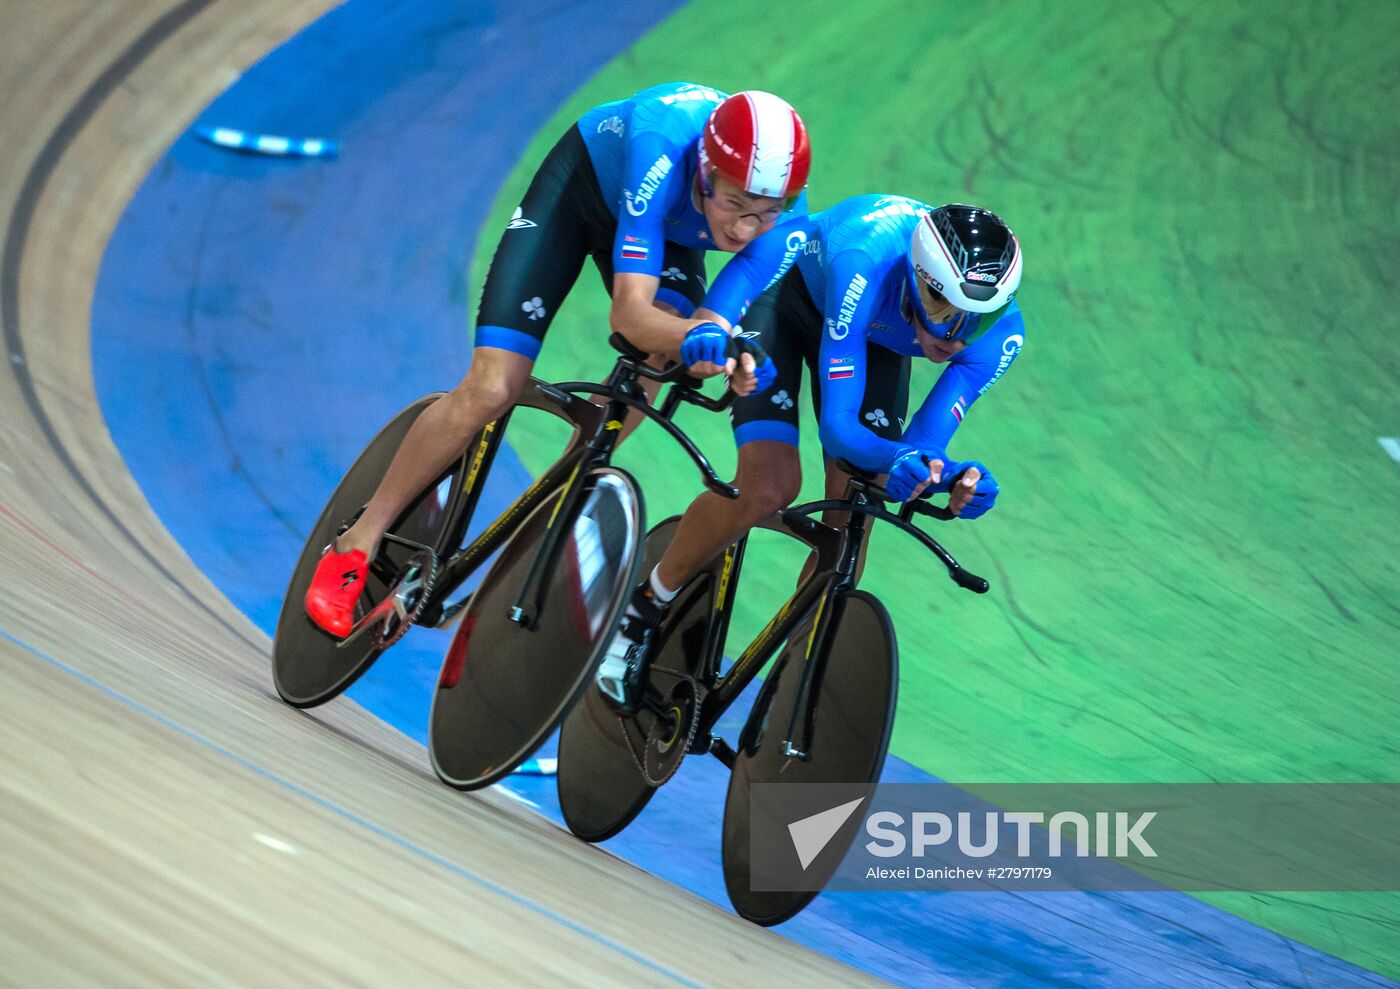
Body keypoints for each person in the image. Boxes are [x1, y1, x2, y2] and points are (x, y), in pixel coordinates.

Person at [304, 82, 812, 637]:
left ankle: (534, 519)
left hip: (668, 232)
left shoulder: (784, 221)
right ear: (704, 172)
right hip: (581, 193)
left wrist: (721, 354)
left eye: (762, 214)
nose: (743, 230)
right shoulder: (662, 147)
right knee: (495, 386)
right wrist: (690, 338)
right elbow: (630, 313)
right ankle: (357, 542)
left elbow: (709, 325)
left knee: (651, 376)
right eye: (734, 204)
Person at [596, 196, 1024, 712]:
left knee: (853, 519)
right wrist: (900, 462)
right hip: (791, 301)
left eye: (976, 319)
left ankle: (788, 680)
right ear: (917, 279)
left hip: (879, 338)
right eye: (944, 310)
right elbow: (841, 430)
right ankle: (645, 605)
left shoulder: (1000, 335)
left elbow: (920, 451)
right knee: (768, 488)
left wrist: (952, 478)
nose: (957, 338)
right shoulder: (863, 260)